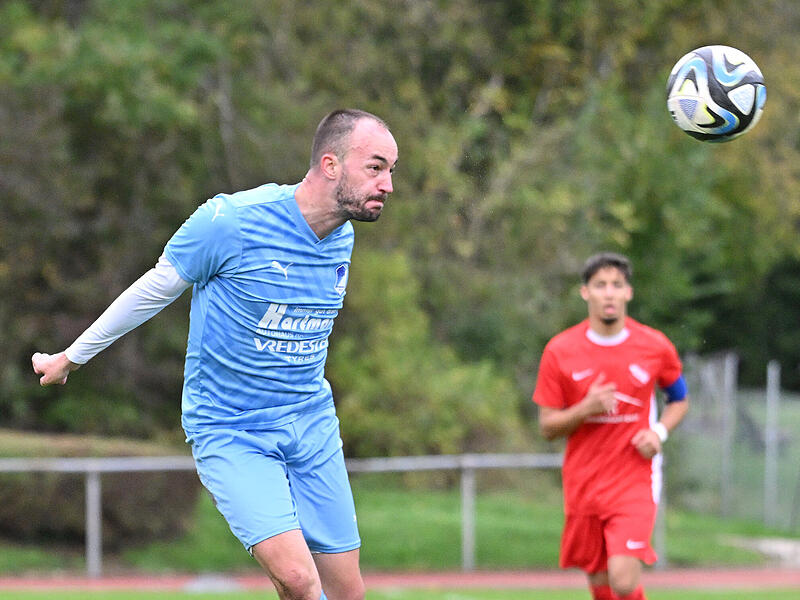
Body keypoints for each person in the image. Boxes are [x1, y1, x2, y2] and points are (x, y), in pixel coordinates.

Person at [32, 108, 398, 600]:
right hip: (232, 428)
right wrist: (70, 357)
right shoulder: (231, 221)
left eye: (391, 170)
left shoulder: (342, 238)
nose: (388, 184)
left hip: (311, 423)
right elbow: (153, 290)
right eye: (376, 167)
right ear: (330, 165)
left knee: (347, 592)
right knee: (297, 580)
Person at [532, 252, 689, 600]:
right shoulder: (560, 351)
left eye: (617, 285)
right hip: (584, 481)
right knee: (600, 579)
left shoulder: (654, 346)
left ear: (628, 293)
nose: (609, 293)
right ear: (585, 292)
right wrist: (585, 408)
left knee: (622, 578)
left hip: (635, 476)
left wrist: (659, 432)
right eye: (600, 285)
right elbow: (547, 426)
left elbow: (679, 398)